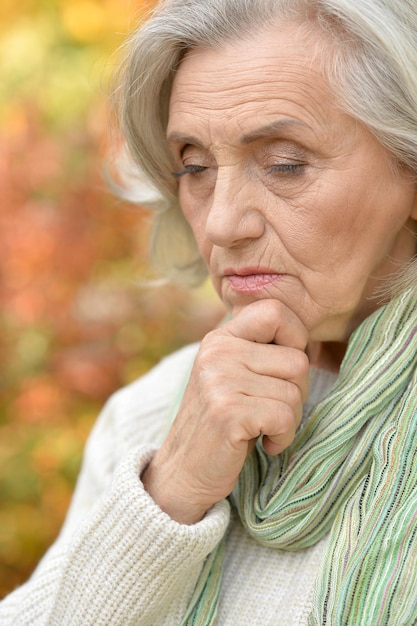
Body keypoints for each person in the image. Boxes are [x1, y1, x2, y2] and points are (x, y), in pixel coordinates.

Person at [1, 0, 417, 623]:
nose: (221, 222)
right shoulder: (149, 417)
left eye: (284, 164)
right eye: (194, 166)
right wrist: (167, 496)